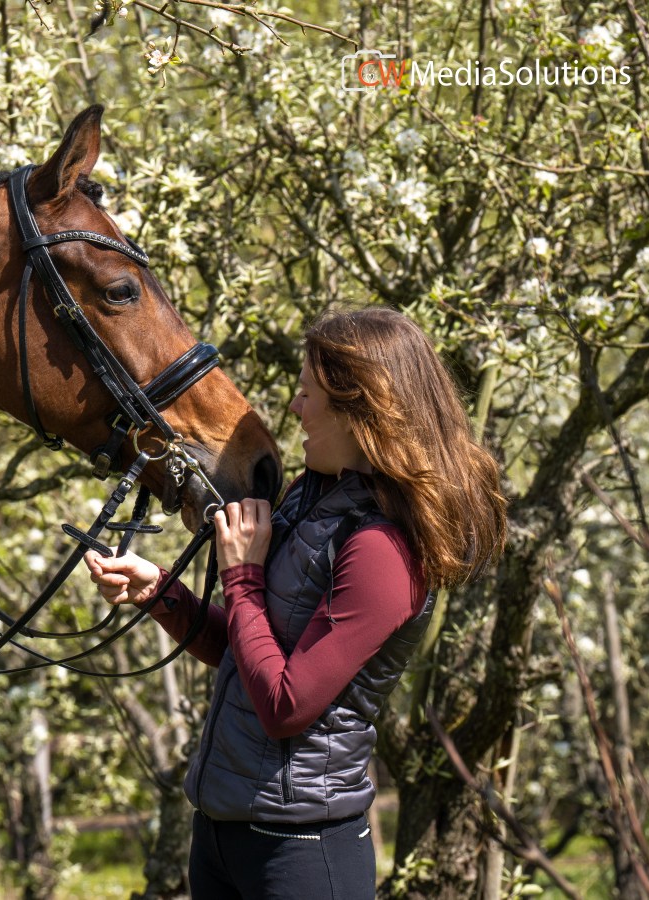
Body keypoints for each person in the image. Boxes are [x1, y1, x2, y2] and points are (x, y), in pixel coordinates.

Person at [85, 307, 507, 899]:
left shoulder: (384, 550)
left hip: (302, 853)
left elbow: (285, 704)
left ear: (360, 409)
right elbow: (246, 649)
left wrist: (242, 573)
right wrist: (160, 592)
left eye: (307, 394)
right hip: (222, 833)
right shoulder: (311, 496)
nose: (293, 409)